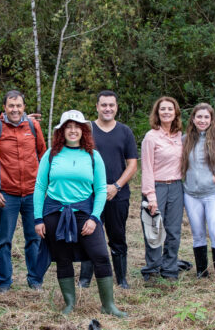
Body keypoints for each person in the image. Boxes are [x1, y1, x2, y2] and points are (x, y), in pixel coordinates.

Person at [34, 110, 125, 317]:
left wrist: (94, 218)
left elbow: (101, 189)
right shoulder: (51, 155)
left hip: (84, 212)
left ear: (84, 130)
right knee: (63, 258)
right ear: (62, 130)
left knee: (101, 255)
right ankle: (69, 304)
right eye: (69, 126)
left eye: (77, 126)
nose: (73, 130)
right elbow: (40, 187)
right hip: (55, 212)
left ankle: (108, 305)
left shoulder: (93, 156)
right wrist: (38, 218)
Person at [0, 90, 46, 292]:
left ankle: (35, 280)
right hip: (6, 195)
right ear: (4, 108)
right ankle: (4, 283)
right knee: (4, 241)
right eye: (11, 106)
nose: (15, 110)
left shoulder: (33, 127)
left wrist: (44, 187)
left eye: (18, 106)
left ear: (24, 107)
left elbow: (44, 156)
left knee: (34, 238)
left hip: (32, 194)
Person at [78, 91, 138, 290]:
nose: (107, 109)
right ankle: (85, 280)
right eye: (103, 105)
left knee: (117, 236)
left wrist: (117, 186)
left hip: (117, 194)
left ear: (116, 107)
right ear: (97, 107)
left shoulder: (125, 132)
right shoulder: (87, 130)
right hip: (90, 195)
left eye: (111, 105)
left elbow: (132, 165)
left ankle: (121, 279)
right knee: (88, 234)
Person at [182, 104, 215, 289]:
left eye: (206, 117)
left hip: (213, 194)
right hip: (191, 195)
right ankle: (201, 272)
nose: (202, 121)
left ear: (211, 120)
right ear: (193, 119)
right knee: (197, 235)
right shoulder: (185, 140)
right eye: (199, 117)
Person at [140, 96, 184, 281]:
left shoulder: (180, 136)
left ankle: (170, 268)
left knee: (173, 231)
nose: (166, 112)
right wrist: (150, 196)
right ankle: (152, 268)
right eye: (162, 109)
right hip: (156, 186)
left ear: (176, 113)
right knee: (154, 230)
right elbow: (147, 168)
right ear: (157, 113)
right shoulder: (151, 137)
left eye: (170, 109)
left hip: (176, 186)